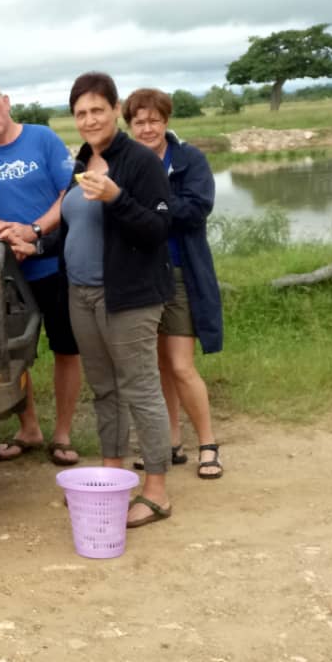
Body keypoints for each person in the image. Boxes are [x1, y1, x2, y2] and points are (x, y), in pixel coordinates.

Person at [17, 72, 174, 527]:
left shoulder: (139, 161)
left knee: (140, 389)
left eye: (97, 110)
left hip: (128, 296)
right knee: (104, 389)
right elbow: (74, 227)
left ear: (115, 110)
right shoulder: (84, 160)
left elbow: (158, 230)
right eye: (81, 113)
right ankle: (112, 475)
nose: (89, 120)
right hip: (80, 294)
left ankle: (157, 491)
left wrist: (117, 197)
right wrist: (36, 245)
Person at [0, 83, 83, 466]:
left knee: (66, 348)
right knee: (11, 351)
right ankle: (29, 428)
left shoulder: (43, 139)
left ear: (5, 103)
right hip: (9, 270)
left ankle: (63, 434)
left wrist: (34, 230)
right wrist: (4, 230)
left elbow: (69, 194)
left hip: (55, 262)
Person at [124, 88, 223, 479]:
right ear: (129, 126)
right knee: (158, 365)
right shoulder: (125, 162)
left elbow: (197, 209)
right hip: (140, 275)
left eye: (154, 120)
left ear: (166, 121)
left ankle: (208, 444)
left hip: (180, 272)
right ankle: (171, 442)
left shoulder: (189, 159)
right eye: (139, 122)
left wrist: (150, 205)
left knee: (181, 365)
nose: (147, 128)